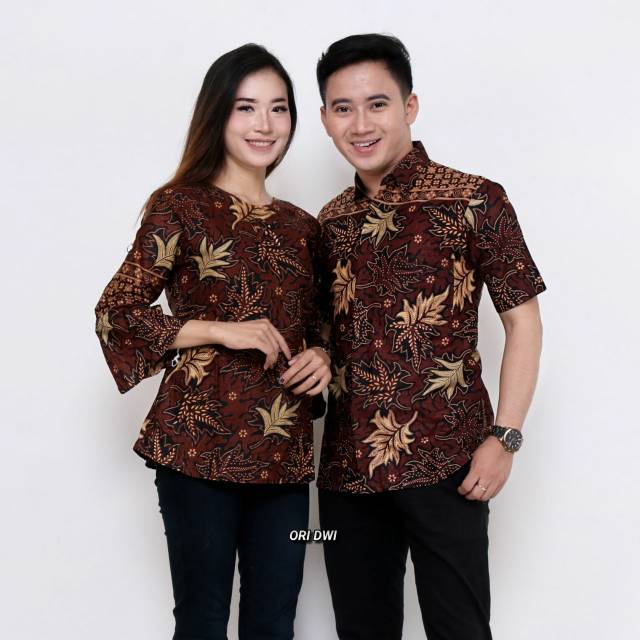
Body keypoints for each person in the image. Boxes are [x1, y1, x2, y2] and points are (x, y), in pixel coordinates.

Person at [309, 34, 547, 639]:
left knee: (460, 629)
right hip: (347, 473)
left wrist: (506, 437)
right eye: (343, 108)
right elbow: (323, 337)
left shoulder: (475, 200)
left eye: (378, 104)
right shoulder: (327, 223)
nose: (361, 124)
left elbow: (522, 320)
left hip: (451, 462)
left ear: (409, 106)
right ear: (325, 119)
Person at [94, 44, 332, 640]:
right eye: (246, 107)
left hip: (283, 455)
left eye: (278, 108)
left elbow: (323, 324)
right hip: (196, 451)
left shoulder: (304, 227)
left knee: (275, 623)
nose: (264, 124)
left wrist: (322, 355)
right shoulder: (180, 205)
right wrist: (219, 328)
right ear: (217, 114)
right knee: (201, 622)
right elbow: (116, 313)